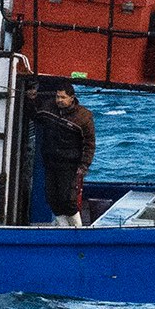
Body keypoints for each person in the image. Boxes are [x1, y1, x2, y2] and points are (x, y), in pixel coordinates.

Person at [33, 83, 95, 226]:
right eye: (57, 96)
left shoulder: (83, 117)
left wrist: (84, 166)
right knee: (51, 197)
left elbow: (89, 144)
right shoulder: (48, 108)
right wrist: (31, 100)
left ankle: (78, 228)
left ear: (72, 98)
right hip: (50, 161)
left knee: (68, 199)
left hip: (70, 165)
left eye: (63, 97)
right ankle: (63, 227)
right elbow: (35, 115)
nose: (59, 100)